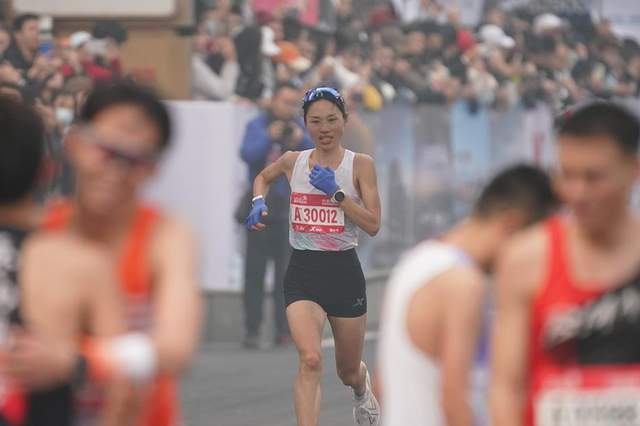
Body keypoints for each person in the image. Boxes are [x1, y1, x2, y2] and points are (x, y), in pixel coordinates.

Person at [6, 82, 202, 426]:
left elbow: (176, 347)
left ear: (154, 170)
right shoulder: (40, 228)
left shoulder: (165, 236)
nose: (117, 171)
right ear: (75, 144)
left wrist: (76, 360)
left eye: (137, 161)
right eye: (107, 151)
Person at [490, 102, 640, 426]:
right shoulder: (527, 258)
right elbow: (507, 386)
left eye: (594, 177)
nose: (578, 193)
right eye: (567, 175)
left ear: (633, 170)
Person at [377, 164, 559, 426]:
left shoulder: (414, 262)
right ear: (512, 225)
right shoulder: (464, 285)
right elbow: (455, 401)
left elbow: (382, 383)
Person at [245, 86, 381, 425]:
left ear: (344, 121)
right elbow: (263, 176)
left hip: (344, 274)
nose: (324, 128)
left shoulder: (360, 165)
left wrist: (335, 193)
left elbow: (373, 224)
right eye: (316, 121)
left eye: (332, 120)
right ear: (305, 124)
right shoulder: (294, 161)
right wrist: (257, 201)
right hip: (303, 272)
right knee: (310, 360)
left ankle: (361, 387)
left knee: (347, 371)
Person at [240, 82, 313, 349]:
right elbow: (247, 154)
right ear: (273, 101)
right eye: (285, 102)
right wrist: (268, 137)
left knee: (287, 275)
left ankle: (284, 330)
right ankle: (252, 329)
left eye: (293, 104)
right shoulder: (258, 125)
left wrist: (299, 140)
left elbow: (315, 157)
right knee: (254, 272)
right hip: (259, 208)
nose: (288, 108)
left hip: (287, 212)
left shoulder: (298, 127)